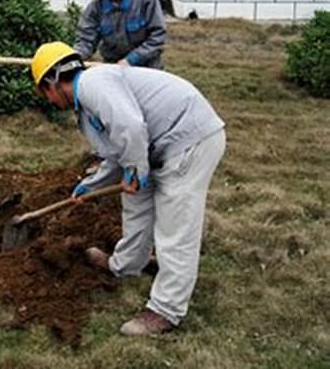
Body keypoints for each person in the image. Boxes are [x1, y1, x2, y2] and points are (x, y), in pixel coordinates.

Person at [31, 41, 226, 336]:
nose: (48, 101)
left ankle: (165, 310)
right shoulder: (87, 106)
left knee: (176, 226)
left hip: (189, 139)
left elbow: (131, 127)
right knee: (135, 203)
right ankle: (125, 266)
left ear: (51, 83)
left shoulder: (94, 83)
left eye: (44, 93)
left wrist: (135, 169)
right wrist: (89, 186)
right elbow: (116, 152)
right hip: (156, 144)